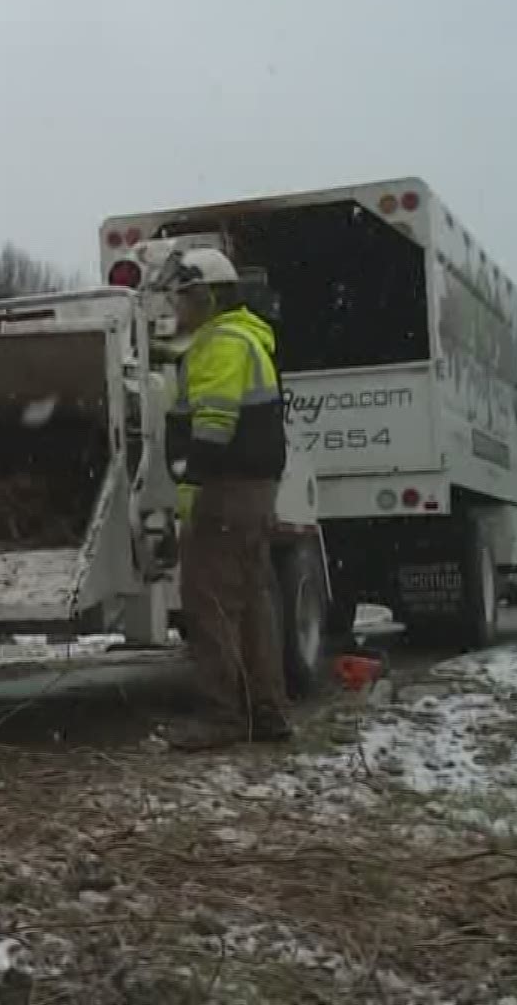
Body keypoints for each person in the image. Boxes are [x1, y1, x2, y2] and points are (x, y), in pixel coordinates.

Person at [162, 248, 293, 750]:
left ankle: (221, 716)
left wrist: (191, 485)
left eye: (184, 297)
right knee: (252, 603)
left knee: (209, 602)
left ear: (207, 296)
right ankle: (267, 712)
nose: (178, 308)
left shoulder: (219, 343)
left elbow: (214, 424)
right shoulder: (249, 338)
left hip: (226, 489)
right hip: (254, 491)